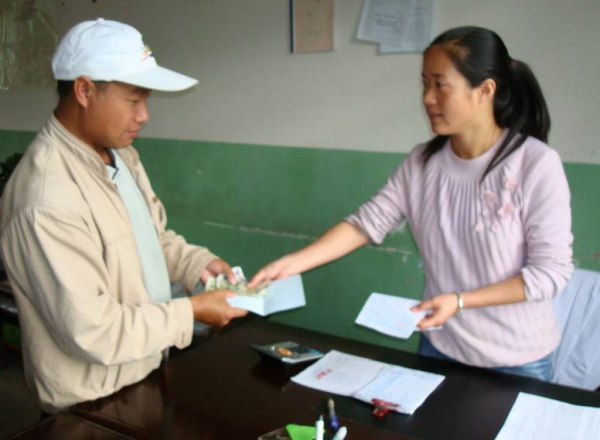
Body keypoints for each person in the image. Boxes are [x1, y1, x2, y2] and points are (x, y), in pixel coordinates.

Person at [249, 26, 573, 380]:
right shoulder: (422, 163)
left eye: (440, 84)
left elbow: (550, 273)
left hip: (518, 360)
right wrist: (292, 263)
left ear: (485, 90)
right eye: (424, 83)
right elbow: (365, 224)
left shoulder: (535, 164)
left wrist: (460, 300)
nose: (427, 98)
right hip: (440, 347)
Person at [0, 18, 247, 413]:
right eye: (134, 100)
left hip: (143, 371)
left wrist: (196, 263)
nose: (144, 115)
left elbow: (149, 237)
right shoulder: (46, 199)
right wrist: (193, 311)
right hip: (92, 404)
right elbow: (91, 331)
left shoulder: (119, 157)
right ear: (84, 90)